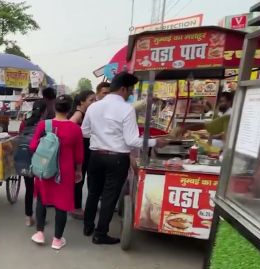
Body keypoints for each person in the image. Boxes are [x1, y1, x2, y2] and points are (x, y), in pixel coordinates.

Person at [82, 72, 168, 245]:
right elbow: (131, 140)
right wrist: (155, 142)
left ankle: (88, 226)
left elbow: (84, 131)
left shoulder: (94, 107)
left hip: (96, 156)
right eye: (130, 91)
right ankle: (100, 234)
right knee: (109, 196)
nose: (130, 94)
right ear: (123, 89)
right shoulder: (126, 109)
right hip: (117, 159)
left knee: (93, 193)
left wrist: (100, 135)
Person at [29, 94, 84, 250]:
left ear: (54, 107)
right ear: (69, 109)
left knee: (42, 199)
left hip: (44, 168)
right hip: (65, 172)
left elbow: (33, 147)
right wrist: (78, 171)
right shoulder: (75, 129)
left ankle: (40, 233)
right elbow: (79, 155)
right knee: (62, 205)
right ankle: (57, 240)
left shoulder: (43, 125)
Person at [17, 100, 48, 227]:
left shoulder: (24, 122)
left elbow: (19, 136)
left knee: (29, 189)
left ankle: (28, 218)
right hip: (40, 158)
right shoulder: (45, 124)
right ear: (44, 111)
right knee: (42, 188)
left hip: (25, 157)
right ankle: (40, 218)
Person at [69, 90, 96, 219]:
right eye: (91, 100)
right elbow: (69, 126)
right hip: (80, 150)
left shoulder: (85, 113)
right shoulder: (79, 113)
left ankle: (75, 206)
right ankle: (76, 208)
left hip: (84, 149)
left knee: (79, 178)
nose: (94, 102)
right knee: (78, 178)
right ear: (82, 102)